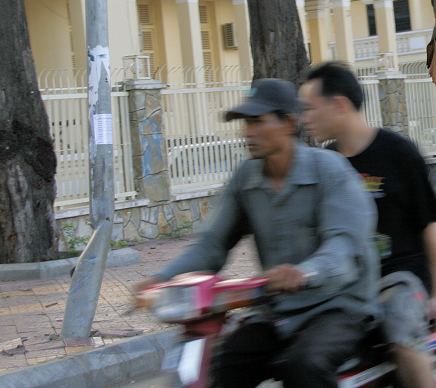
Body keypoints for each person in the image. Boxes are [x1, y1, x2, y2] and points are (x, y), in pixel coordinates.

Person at [135, 78, 378, 388]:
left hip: (337, 306)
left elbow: (344, 247)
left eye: (257, 122)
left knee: (304, 366)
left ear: (289, 123)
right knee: (225, 364)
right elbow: (212, 245)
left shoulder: (329, 170)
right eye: (245, 124)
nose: (247, 133)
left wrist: (304, 272)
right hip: (277, 310)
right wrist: (162, 278)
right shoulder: (246, 178)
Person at [298, 62, 436, 388]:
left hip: (401, 279)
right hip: (349, 286)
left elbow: (427, 228)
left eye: (310, 109)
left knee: (402, 340)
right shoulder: (327, 163)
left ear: (339, 104)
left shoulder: (399, 152)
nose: (305, 119)